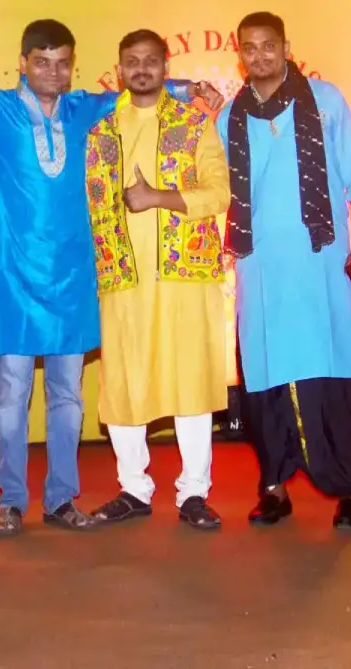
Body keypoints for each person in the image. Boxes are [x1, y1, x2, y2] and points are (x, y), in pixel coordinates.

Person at [0, 20, 216, 535]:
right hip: (13, 278)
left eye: (62, 63)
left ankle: (61, 499)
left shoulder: (85, 109)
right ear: (22, 64)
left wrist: (188, 89)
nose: (53, 72)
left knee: (68, 398)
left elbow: (139, 89)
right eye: (42, 62)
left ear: (72, 67)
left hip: (74, 278)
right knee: (10, 399)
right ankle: (10, 499)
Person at [218, 11, 351, 531]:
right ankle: (274, 490)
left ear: (287, 47)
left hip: (322, 266)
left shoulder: (326, 100)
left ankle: (349, 492)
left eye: (269, 46)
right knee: (264, 377)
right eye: (249, 48)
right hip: (260, 271)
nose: (260, 56)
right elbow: (213, 188)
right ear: (238, 54)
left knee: (335, 369)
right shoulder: (229, 118)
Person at [85, 31, 232, 531]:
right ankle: (133, 488)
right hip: (121, 277)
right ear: (120, 69)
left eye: (151, 61)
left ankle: (194, 492)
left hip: (185, 279)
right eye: (132, 62)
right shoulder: (101, 131)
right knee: (124, 383)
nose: (142, 69)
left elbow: (218, 194)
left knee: (189, 381)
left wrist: (158, 198)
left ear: (166, 67)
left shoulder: (195, 125)